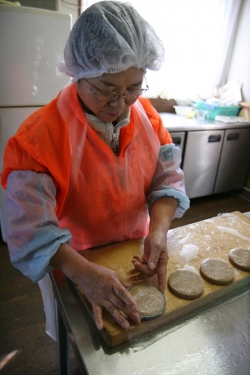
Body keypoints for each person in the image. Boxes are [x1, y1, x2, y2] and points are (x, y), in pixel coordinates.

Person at [1, 1, 190, 336]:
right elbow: (29, 231)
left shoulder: (147, 117)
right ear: (79, 75)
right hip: (70, 266)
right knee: (82, 341)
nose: (119, 105)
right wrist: (83, 273)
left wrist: (158, 232)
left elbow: (167, 180)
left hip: (132, 256)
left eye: (133, 88)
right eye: (105, 90)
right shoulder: (38, 137)